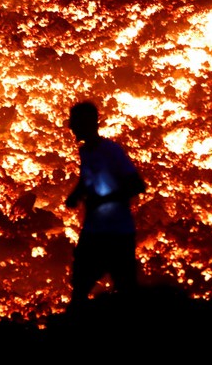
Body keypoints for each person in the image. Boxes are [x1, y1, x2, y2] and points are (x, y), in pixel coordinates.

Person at [64, 100, 146, 309]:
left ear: (89, 123)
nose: (71, 127)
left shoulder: (111, 151)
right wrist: (76, 195)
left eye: (75, 123)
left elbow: (136, 185)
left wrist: (103, 200)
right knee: (80, 284)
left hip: (117, 233)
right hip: (94, 230)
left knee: (125, 287)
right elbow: (88, 178)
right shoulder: (86, 152)